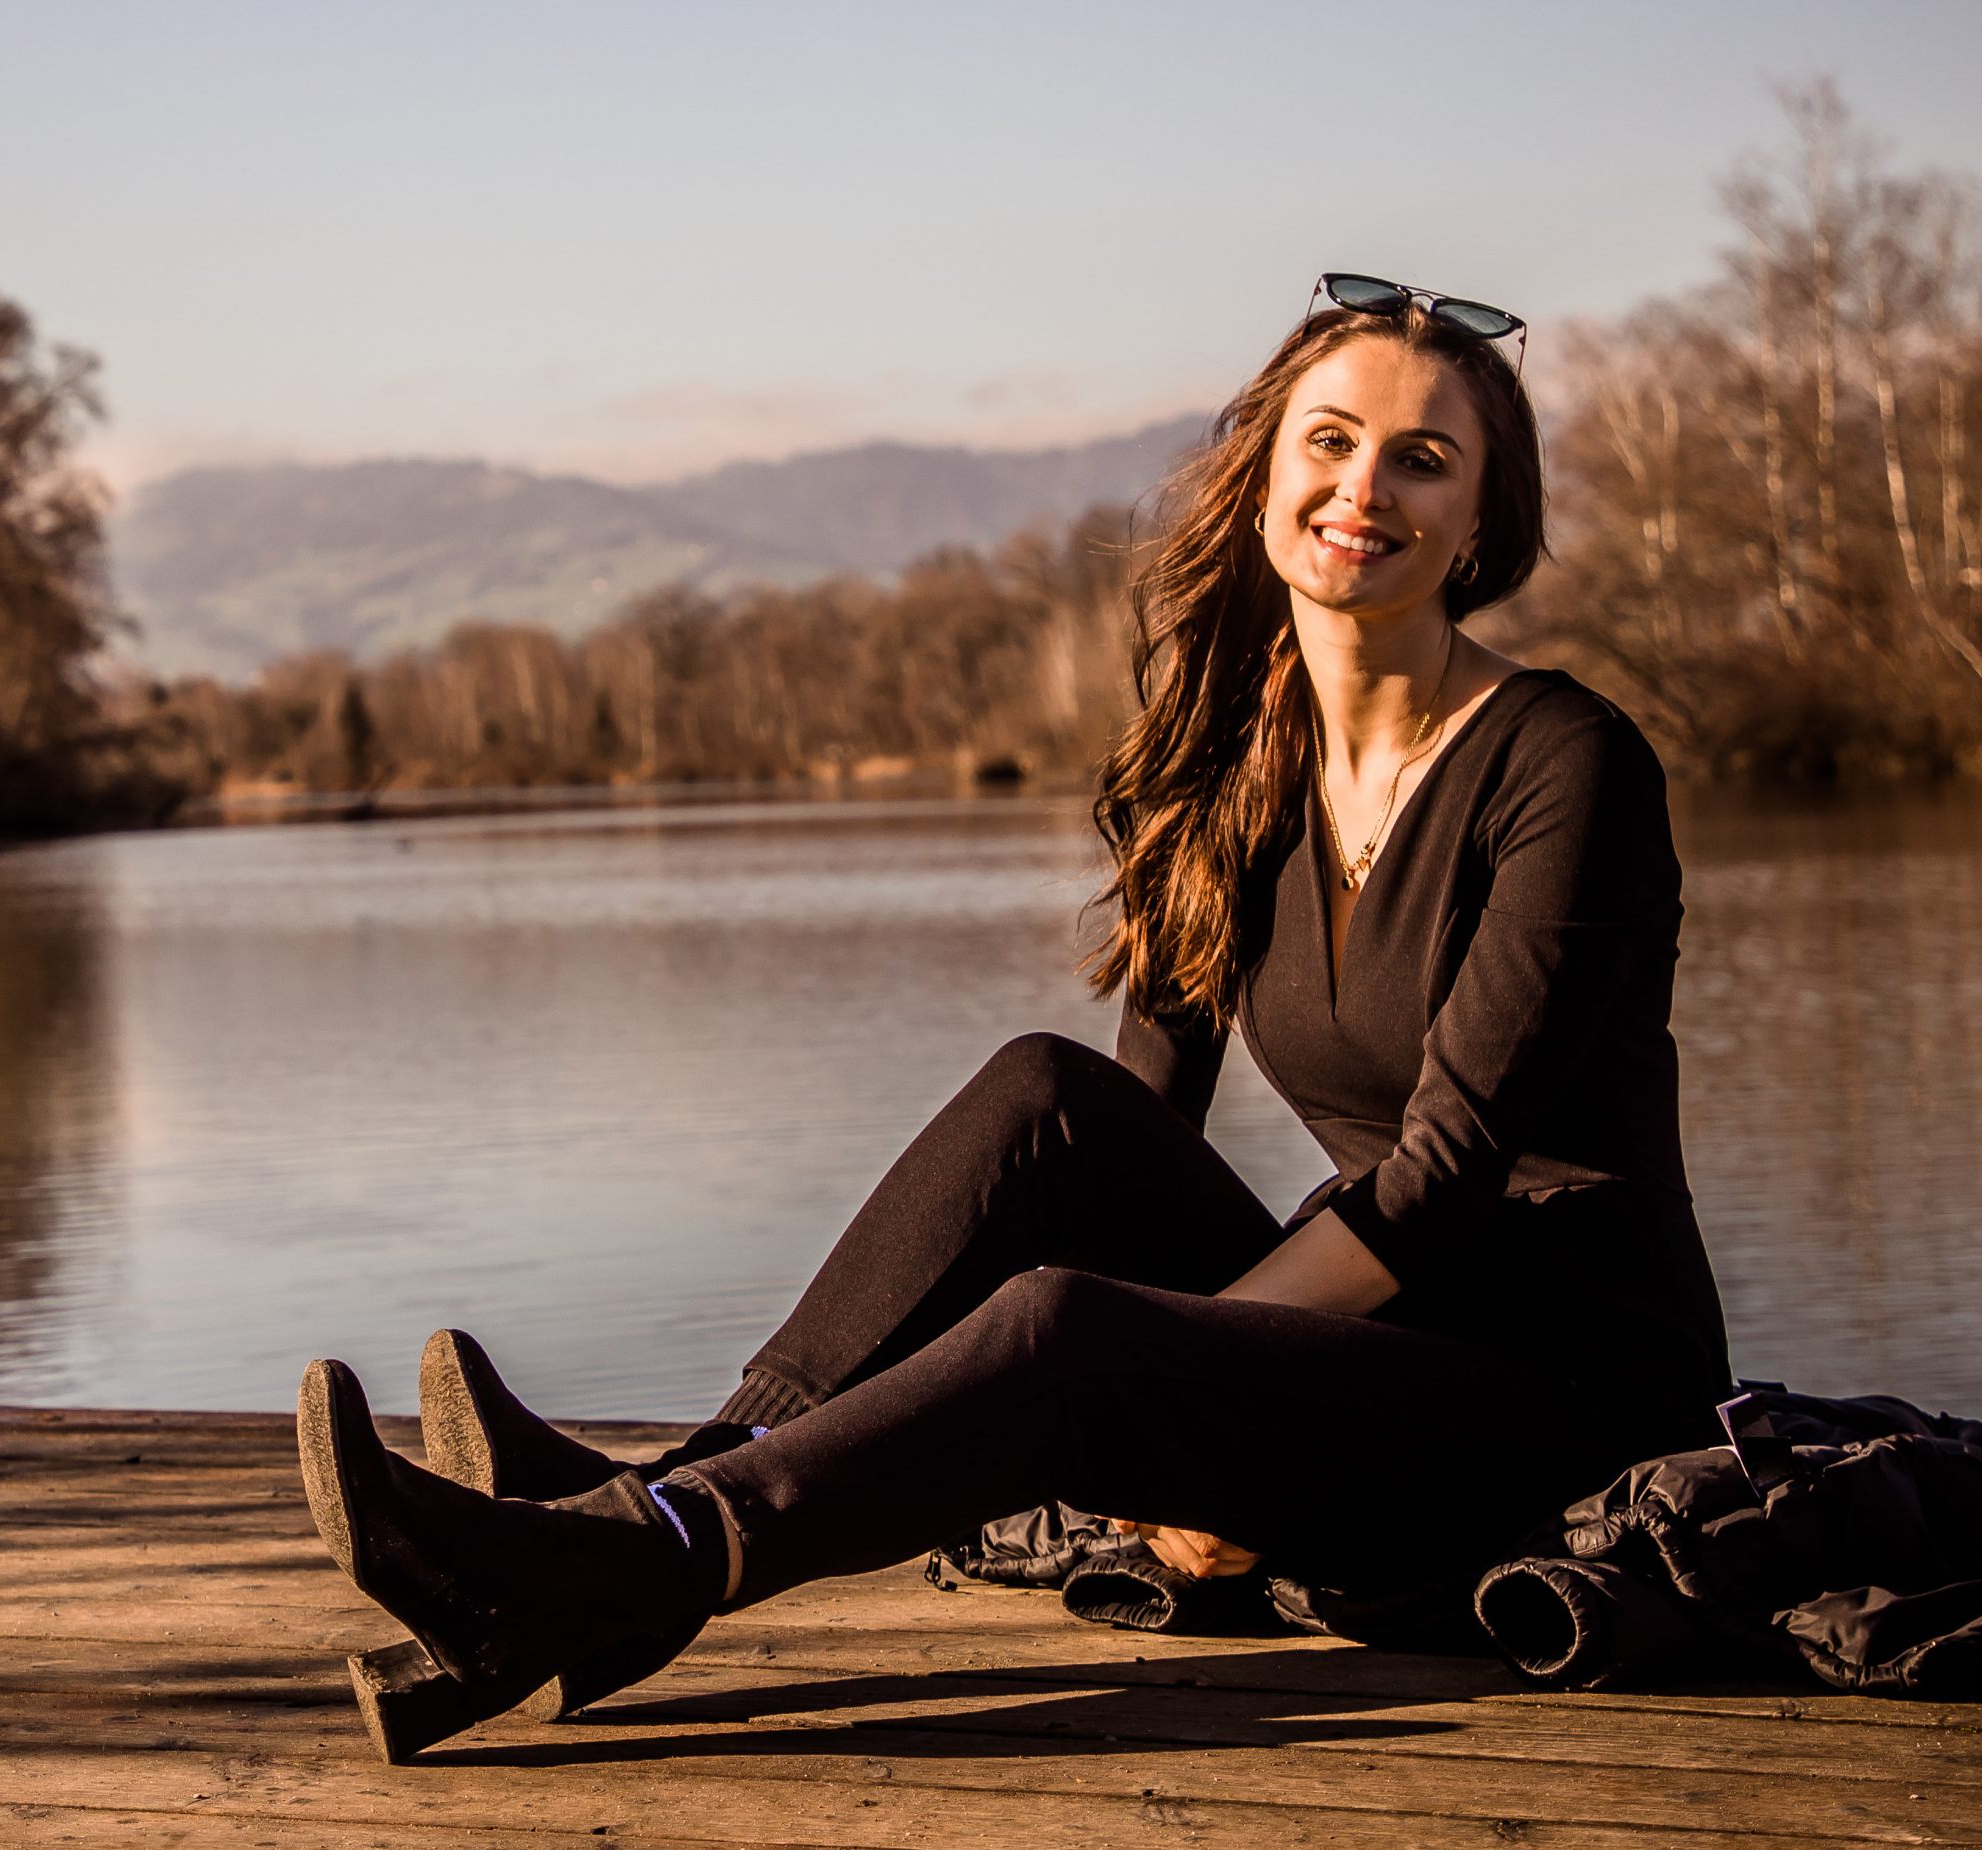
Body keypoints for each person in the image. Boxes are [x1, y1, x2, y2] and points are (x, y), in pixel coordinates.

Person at [295, 273, 1734, 1763]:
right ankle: (662, 1499)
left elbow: (1448, 1171)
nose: (1362, 486)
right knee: (1046, 1095)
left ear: (1483, 522)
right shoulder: (1240, 761)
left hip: (1561, 1389)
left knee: (1070, 1331)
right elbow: (1123, 1140)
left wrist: (1176, 1379)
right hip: (1369, 1333)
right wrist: (1180, 1380)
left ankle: (631, 1558)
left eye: (1422, 459)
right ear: (1263, 480)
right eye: (1330, 440)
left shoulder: (1569, 761)